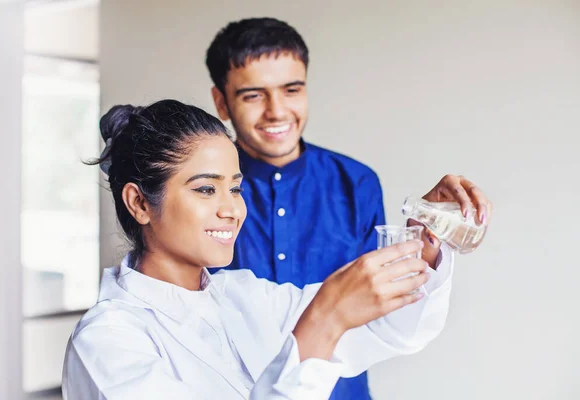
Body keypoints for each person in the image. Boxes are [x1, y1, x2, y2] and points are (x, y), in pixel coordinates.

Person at [62, 99, 488, 399]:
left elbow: (390, 329)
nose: (232, 210)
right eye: (206, 189)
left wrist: (424, 236)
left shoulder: (245, 295)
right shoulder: (107, 342)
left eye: (235, 188)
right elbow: (325, 325)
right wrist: (323, 321)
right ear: (139, 203)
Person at [205, 18, 491, 399]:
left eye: (292, 89)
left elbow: (386, 311)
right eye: (253, 95)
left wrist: (424, 237)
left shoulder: (357, 182)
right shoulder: (203, 188)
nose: (277, 111)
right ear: (221, 102)